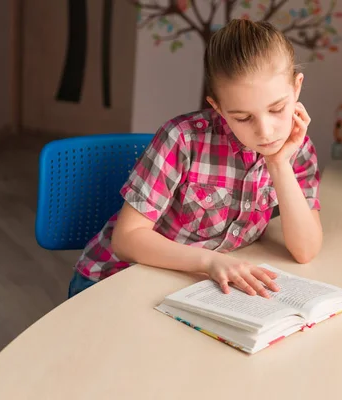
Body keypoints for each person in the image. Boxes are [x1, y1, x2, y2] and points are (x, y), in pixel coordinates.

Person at [68, 19, 323, 299]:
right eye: (242, 117)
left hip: (192, 286)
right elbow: (127, 239)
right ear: (217, 107)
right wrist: (210, 262)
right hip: (114, 280)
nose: (265, 131)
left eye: (277, 109)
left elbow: (305, 250)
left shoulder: (297, 147)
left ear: (296, 88)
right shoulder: (183, 139)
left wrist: (278, 164)